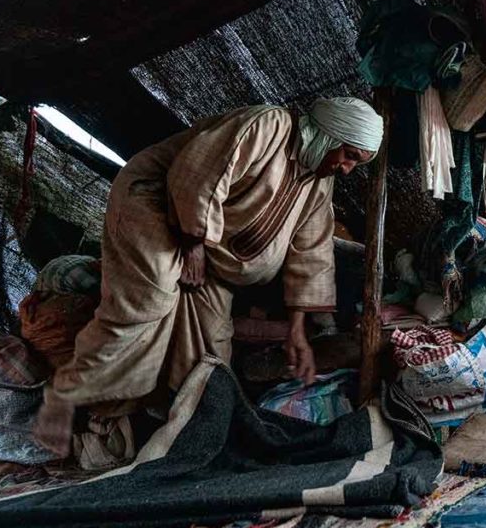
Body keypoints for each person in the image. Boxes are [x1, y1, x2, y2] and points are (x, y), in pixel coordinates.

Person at [35, 98, 383, 457]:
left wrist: (297, 330)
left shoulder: (318, 184)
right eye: (349, 155)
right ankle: (66, 397)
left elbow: (311, 254)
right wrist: (193, 244)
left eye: (356, 163)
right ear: (329, 135)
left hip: (210, 250)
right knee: (149, 300)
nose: (347, 169)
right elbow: (200, 172)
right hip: (158, 208)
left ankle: (172, 427)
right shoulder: (270, 125)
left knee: (212, 348)